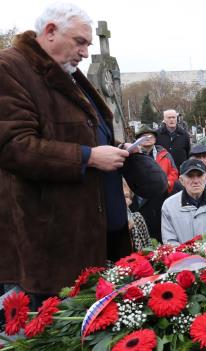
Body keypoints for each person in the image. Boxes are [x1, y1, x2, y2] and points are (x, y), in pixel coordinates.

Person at [0, 3, 132, 302]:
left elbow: (85, 129)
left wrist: (114, 149)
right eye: (80, 42)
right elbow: (13, 146)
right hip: (52, 250)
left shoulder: (65, 69)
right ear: (50, 32)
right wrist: (88, 157)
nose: (86, 52)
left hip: (93, 240)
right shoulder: (10, 68)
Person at [161, 159, 206, 245]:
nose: (196, 181)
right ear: (181, 180)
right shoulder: (169, 205)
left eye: (199, 175)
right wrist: (190, 254)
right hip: (184, 258)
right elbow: (169, 241)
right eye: (190, 176)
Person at [135, 125, 179, 194]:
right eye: (144, 137)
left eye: (150, 136)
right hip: (141, 195)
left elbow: (174, 172)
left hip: (162, 193)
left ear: (155, 139)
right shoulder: (133, 156)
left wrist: (168, 183)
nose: (147, 139)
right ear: (138, 140)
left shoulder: (165, 154)